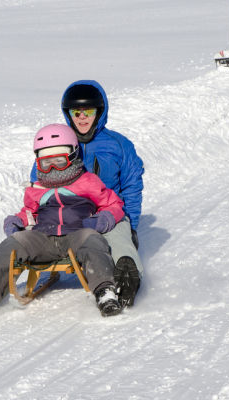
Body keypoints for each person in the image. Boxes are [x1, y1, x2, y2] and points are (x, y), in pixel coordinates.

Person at [0, 124, 129, 322]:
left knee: (94, 241)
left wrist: (103, 219)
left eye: (59, 161)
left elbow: (113, 203)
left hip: (77, 233)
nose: (52, 169)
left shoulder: (88, 182)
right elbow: (29, 213)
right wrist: (17, 221)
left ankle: (105, 291)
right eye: (46, 163)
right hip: (43, 237)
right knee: (14, 242)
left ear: (73, 156)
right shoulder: (37, 188)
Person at [31, 80, 145, 308]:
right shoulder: (58, 143)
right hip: (67, 216)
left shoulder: (119, 145)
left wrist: (130, 225)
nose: (82, 118)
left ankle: (128, 275)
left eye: (88, 111)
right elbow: (38, 183)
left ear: (100, 112)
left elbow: (132, 186)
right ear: (68, 114)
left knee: (119, 239)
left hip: (108, 214)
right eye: (76, 112)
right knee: (23, 241)